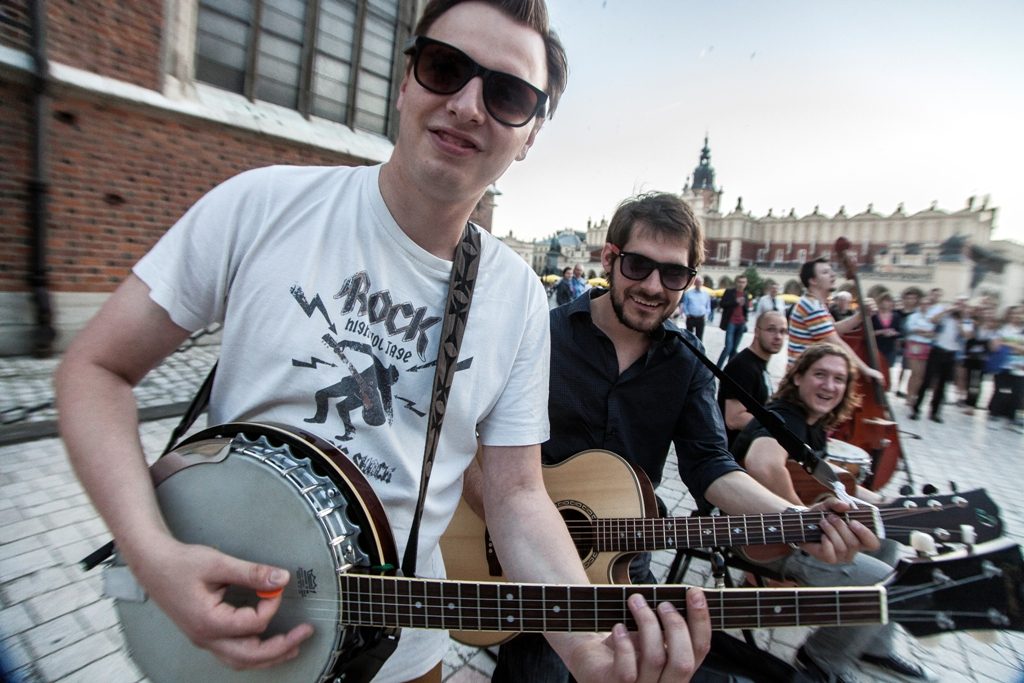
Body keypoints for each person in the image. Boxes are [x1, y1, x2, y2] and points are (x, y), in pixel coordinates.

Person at [54, 3, 712, 682]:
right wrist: (152, 552)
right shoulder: (260, 206)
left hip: (397, 653)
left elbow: (518, 496)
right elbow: (95, 367)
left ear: (530, 133)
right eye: (444, 67)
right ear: (405, 81)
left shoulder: (514, 295)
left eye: (508, 93)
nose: (466, 105)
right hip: (231, 619)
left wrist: (584, 646)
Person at [483, 192, 879, 683]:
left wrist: (796, 521)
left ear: (691, 279)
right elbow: (480, 450)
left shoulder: (688, 360)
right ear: (609, 258)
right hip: (529, 562)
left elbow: (710, 464)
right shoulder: (542, 335)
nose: (652, 286)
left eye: (672, 274)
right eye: (637, 265)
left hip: (627, 559)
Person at [731, 343, 936, 683]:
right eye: (820, 375)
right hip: (758, 537)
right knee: (883, 579)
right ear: (797, 377)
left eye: (839, 379)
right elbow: (761, 463)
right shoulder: (786, 418)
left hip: (781, 531)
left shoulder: (811, 422)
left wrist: (888, 508)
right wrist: (803, 523)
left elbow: (831, 486)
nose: (829, 386)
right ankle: (821, 659)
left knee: (886, 544)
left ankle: (876, 646)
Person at [786, 257, 884, 385]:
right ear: (813, 281)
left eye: (831, 271)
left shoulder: (816, 304)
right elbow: (835, 341)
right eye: (825, 272)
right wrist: (865, 369)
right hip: (804, 377)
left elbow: (833, 329)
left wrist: (861, 315)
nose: (833, 275)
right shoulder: (811, 306)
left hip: (806, 373)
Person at [718, 310, 788, 447]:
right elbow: (734, 419)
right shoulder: (742, 366)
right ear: (757, 332)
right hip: (730, 454)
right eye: (771, 330)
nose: (778, 336)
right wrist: (778, 428)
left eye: (783, 331)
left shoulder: (759, 363)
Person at [911, 294, 970, 423]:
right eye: (958, 303)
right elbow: (932, 320)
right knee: (927, 381)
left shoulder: (966, 320)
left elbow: (967, 335)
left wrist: (959, 321)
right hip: (937, 351)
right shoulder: (945, 315)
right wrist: (947, 311)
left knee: (943, 385)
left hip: (951, 354)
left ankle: (935, 412)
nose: (959, 307)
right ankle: (916, 409)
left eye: (963, 304)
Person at [989, 304, 1024, 427]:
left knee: (1018, 394)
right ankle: (995, 415)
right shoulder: (1002, 329)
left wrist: (1007, 343)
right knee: (1001, 391)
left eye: (1019, 313)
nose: (1017, 316)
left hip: (1019, 368)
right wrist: (1015, 346)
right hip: (1003, 367)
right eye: (1014, 313)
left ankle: (1014, 418)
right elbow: (994, 346)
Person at [902, 290, 939, 405]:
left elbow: (933, 333)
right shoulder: (914, 316)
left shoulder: (932, 318)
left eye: (927, 304)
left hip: (926, 345)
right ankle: (909, 395)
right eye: (923, 304)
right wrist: (924, 332)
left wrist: (922, 332)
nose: (925, 306)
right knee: (914, 372)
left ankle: (915, 395)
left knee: (921, 374)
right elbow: (911, 329)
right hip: (914, 344)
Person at [715, 274, 750, 367]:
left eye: (743, 282)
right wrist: (736, 302)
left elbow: (746, 309)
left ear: (746, 284)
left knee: (734, 349)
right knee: (728, 348)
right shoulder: (729, 292)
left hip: (741, 323)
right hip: (731, 322)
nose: (741, 284)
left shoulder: (746, 294)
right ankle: (717, 368)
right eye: (739, 282)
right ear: (736, 282)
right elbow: (722, 304)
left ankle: (729, 370)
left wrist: (746, 318)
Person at [680, 274, 712, 341]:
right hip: (691, 317)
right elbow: (685, 304)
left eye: (700, 282)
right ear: (695, 283)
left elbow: (708, 306)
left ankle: (698, 351)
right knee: (688, 336)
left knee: (699, 337)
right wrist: (687, 313)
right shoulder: (688, 293)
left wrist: (706, 315)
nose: (698, 283)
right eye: (697, 282)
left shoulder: (706, 294)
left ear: (702, 283)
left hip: (701, 318)